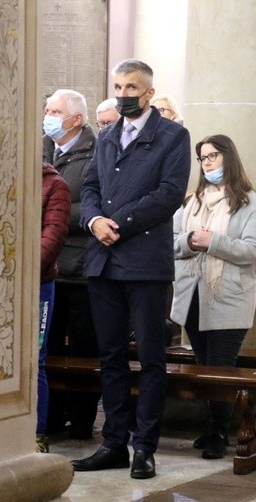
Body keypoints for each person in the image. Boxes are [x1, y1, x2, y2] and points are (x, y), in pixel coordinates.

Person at [73, 59, 191, 479]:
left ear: (147, 92)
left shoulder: (172, 136)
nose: (123, 93)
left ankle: (144, 447)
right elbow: (89, 188)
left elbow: (169, 194)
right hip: (103, 262)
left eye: (130, 87)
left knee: (152, 358)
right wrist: (92, 220)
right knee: (110, 357)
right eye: (117, 86)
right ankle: (113, 443)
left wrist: (117, 224)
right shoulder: (106, 137)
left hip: (144, 263)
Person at [170, 134, 256, 460]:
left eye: (213, 156)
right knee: (203, 364)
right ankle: (210, 427)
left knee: (221, 366)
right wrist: (190, 241)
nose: (207, 162)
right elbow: (168, 241)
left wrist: (213, 242)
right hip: (193, 294)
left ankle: (218, 433)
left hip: (228, 296)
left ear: (229, 157)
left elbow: (253, 251)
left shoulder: (251, 203)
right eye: (202, 158)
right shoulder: (191, 201)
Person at [42, 89, 100, 439]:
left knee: (83, 349)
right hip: (48, 268)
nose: (47, 116)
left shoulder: (95, 154)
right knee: (47, 348)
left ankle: (81, 420)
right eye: (46, 109)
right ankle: (49, 417)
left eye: (55, 110)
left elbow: (95, 206)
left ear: (76, 119)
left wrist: (56, 213)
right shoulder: (40, 148)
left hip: (80, 267)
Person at [37, 162, 71, 453]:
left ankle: (37, 433)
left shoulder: (53, 184)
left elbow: (54, 233)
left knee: (34, 358)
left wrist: (23, 269)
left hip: (37, 284)